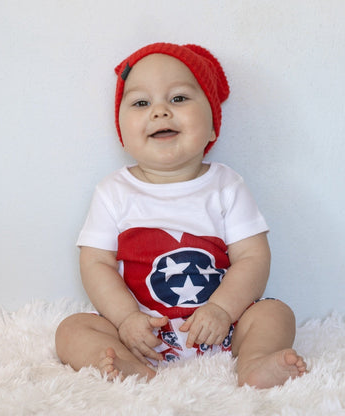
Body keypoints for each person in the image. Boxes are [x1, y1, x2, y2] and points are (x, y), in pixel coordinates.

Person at [55, 42, 307, 389]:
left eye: (179, 99)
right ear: (122, 134)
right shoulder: (113, 191)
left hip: (222, 327)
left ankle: (254, 361)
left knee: (275, 314)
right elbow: (96, 262)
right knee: (71, 330)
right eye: (141, 102)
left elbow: (253, 257)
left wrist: (222, 310)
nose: (160, 111)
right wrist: (126, 318)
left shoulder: (225, 185)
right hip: (142, 331)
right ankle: (128, 365)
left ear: (213, 127)